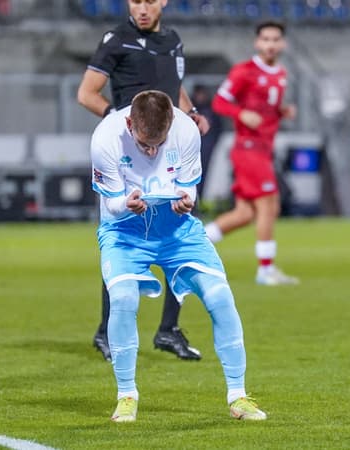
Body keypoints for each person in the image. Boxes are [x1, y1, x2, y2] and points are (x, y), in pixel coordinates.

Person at [91, 90, 266, 422]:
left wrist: (186, 199)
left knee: (220, 296)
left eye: (159, 143)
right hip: (125, 230)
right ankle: (126, 395)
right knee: (124, 299)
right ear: (130, 123)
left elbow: (190, 186)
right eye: (145, 145)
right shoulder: (105, 139)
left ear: (172, 122)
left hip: (177, 231)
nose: (153, 151)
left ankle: (239, 396)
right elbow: (111, 204)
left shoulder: (186, 129)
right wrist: (126, 203)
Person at [77, 0, 210, 362]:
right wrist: (117, 119)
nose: (142, 8)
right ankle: (106, 331)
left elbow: (175, 89)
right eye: (135, 1)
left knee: (177, 238)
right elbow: (86, 93)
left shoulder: (173, 40)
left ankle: (168, 329)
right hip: (128, 160)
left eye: (149, 0)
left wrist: (191, 114)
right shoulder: (116, 39)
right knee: (119, 240)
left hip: (168, 155)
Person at [203, 21, 299, 286]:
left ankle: (193, 242)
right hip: (248, 149)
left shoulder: (280, 74)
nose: (270, 44)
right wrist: (240, 113)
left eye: (275, 39)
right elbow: (219, 102)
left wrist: (282, 113)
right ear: (257, 43)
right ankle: (265, 270)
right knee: (270, 204)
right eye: (265, 39)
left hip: (263, 150)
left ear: (283, 44)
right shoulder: (244, 71)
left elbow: (266, 108)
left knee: (245, 214)